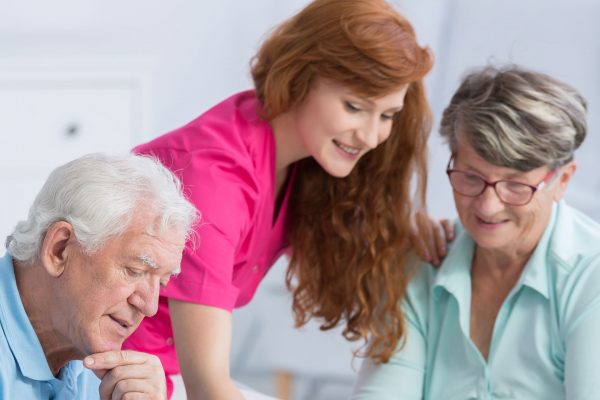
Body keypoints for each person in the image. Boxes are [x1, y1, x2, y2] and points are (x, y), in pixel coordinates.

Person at [121, 0, 449, 398]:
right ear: (301, 77)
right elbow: (207, 387)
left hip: (157, 377)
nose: (370, 136)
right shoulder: (215, 182)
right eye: (355, 107)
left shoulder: (298, 159)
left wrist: (412, 234)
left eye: (388, 115)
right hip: (109, 378)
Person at [351, 65, 600, 400]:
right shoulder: (422, 262)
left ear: (562, 181)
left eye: (515, 185)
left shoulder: (590, 277)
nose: (487, 206)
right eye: (471, 177)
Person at [0, 153, 197, 399]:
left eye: (162, 282)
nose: (150, 306)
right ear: (59, 250)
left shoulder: (91, 352)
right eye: (135, 271)